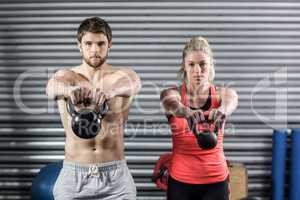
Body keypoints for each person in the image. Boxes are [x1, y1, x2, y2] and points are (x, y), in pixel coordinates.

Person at [46, 17, 141, 200]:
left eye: (100, 44)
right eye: (88, 43)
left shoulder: (122, 76)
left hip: (116, 180)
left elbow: (135, 83)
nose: (94, 50)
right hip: (73, 178)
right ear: (79, 45)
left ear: (109, 44)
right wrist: (69, 90)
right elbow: (51, 88)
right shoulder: (68, 76)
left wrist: (110, 92)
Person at [160, 36, 238, 200]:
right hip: (180, 182)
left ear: (210, 66)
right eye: (191, 64)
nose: (197, 70)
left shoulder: (221, 95)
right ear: (184, 66)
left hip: (216, 181)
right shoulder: (173, 93)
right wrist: (187, 112)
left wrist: (223, 110)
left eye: (203, 64)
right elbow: (170, 103)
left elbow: (232, 100)